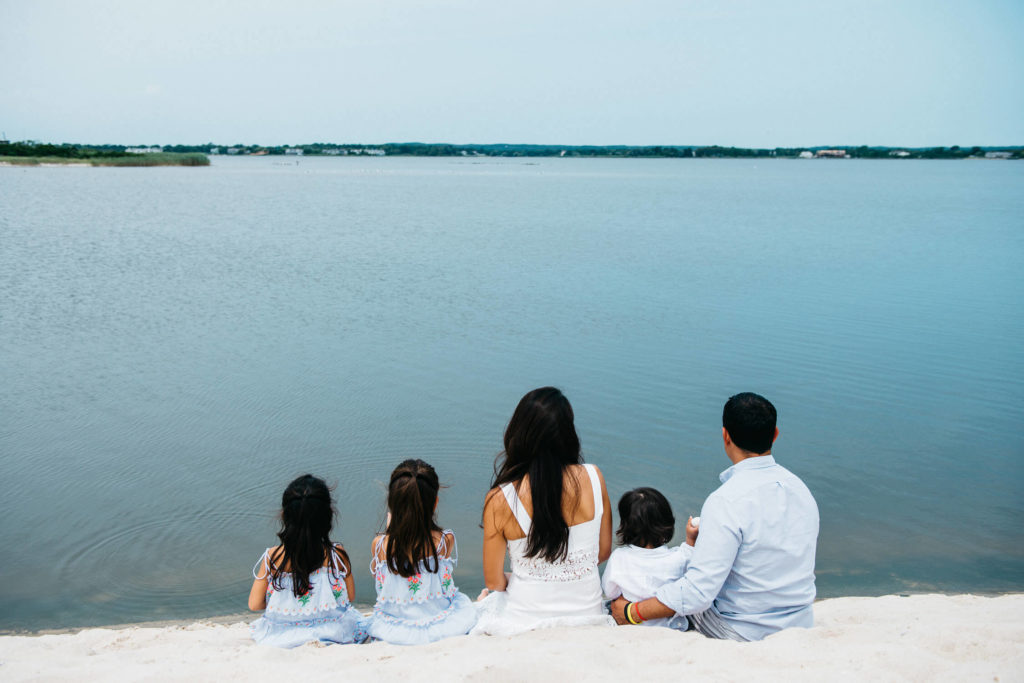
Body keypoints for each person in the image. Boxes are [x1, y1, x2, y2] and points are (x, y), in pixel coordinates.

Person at [611, 392, 819, 641]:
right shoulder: (800, 489)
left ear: (725, 436)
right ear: (775, 434)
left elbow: (697, 594)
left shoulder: (726, 501)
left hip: (743, 629)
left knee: (659, 595)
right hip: (800, 624)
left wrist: (632, 612)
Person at [472, 387, 615, 635]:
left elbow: (494, 582)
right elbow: (602, 552)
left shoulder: (500, 498)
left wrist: (522, 577)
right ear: (568, 433)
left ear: (518, 432)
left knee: (484, 603)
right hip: (587, 614)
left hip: (524, 618)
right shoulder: (594, 477)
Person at [248, 474, 369, 647]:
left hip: (281, 634)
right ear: (328, 516)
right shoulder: (337, 554)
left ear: (285, 516)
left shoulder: (273, 558)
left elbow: (254, 604)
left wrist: (286, 603)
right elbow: (349, 596)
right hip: (333, 631)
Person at [368, 459, 477, 644]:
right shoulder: (444, 541)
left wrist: (389, 532)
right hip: (440, 623)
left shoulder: (379, 545)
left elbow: (383, 586)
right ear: (434, 503)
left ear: (392, 504)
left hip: (394, 629)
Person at [601, 487, 695, 630]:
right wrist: (690, 539)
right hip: (668, 627)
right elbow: (691, 562)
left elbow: (610, 592)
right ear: (668, 523)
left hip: (630, 623)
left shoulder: (619, 557)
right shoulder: (679, 557)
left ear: (625, 526)